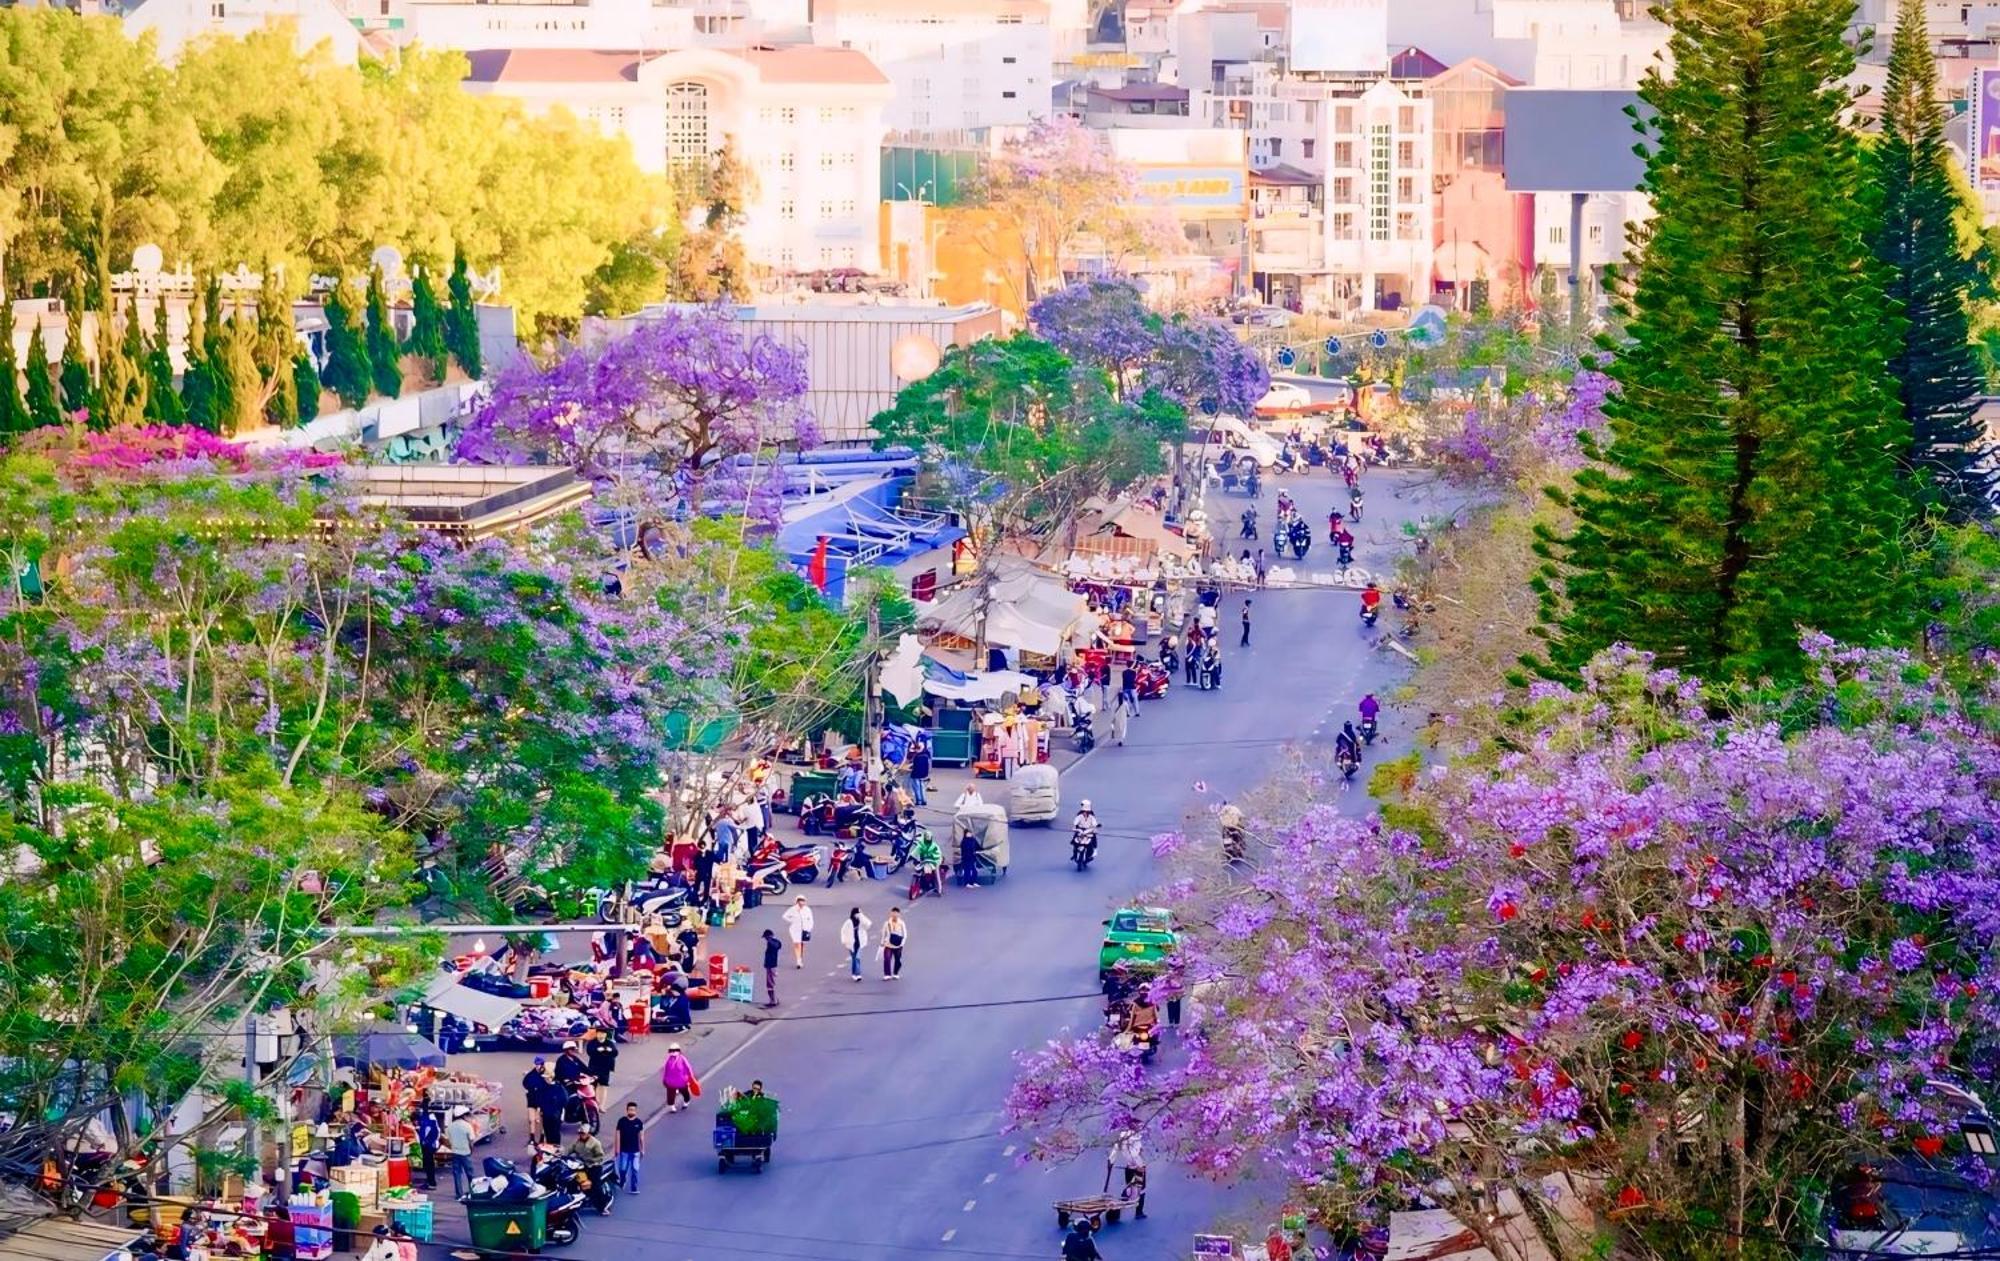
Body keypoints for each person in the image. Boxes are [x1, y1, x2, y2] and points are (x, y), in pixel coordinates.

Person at [1109, 1130, 1149, 1220]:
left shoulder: (1123, 1136)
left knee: (1130, 1189)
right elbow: (1135, 1154)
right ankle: (1138, 1212)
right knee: (1140, 1190)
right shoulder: (1135, 1138)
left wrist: (1111, 1160)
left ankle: (1117, 1209)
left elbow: (1116, 1148)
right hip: (1138, 1169)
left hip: (1129, 1168)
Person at [444, 1109, 476, 1199]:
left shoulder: (450, 1126)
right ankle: (473, 1192)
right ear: (463, 1115)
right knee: (470, 1174)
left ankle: (459, 1194)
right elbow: (471, 1141)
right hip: (466, 1153)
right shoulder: (467, 1126)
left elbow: (447, 1141)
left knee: (457, 1174)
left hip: (455, 1153)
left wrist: (453, 1147)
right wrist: (471, 1150)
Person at [613, 1102, 644, 1193]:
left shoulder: (639, 1123)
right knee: (622, 1169)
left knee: (635, 1170)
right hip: (624, 1151)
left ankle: (634, 1188)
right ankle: (623, 1180)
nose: (632, 1111)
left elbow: (641, 1137)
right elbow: (617, 1136)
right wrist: (616, 1149)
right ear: (627, 1110)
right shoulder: (621, 1121)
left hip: (635, 1151)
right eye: (630, 1110)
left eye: (633, 1110)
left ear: (636, 1111)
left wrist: (642, 1149)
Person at [659, 1044, 698, 1112]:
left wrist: (691, 1078)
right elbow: (664, 1070)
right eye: (671, 1050)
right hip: (670, 1081)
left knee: (684, 1092)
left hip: (681, 1081)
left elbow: (688, 1068)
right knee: (670, 1095)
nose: (673, 1052)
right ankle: (672, 1107)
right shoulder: (668, 1059)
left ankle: (686, 1101)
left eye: (675, 1050)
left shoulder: (682, 1059)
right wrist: (664, 1079)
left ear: (679, 1051)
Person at [839, 907, 872, 980]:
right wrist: (844, 941)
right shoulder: (848, 922)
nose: (859, 914)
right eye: (858, 913)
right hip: (851, 943)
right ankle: (855, 974)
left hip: (860, 943)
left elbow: (868, 924)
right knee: (855, 958)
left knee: (857, 958)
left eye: (860, 913)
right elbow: (843, 931)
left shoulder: (861, 922)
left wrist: (861, 916)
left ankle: (857, 974)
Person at [782, 895, 814, 968]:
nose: (801, 903)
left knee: (802, 945)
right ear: (797, 902)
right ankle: (798, 961)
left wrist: (809, 928)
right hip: (795, 929)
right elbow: (784, 916)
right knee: (797, 944)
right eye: (800, 901)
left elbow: (811, 920)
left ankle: (800, 958)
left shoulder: (807, 909)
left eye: (803, 901)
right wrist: (792, 921)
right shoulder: (793, 909)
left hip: (805, 929)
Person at [413, 1106, 441, 1191]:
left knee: (429, 1165)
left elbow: (425, 1135)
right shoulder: (432, 1121)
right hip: (431, 1145)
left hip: (428, 1146)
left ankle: (431, 1183)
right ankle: (430, 1182)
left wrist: (424, 1141)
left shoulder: (427, 1122)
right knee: (429, 1165)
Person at [880, 907, 908, 980]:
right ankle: (887, 974)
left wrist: (902, 943)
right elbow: (883, 933)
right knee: (887, 958)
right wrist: (882, 942)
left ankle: (895, 973)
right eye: (893, 914)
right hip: (888, 944)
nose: (894, 916)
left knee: (897, 959)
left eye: (896, 914)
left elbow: (905, 934)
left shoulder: (901, 923)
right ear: (891, 914)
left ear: (899, 915)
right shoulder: (887, 923)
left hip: (898, 945)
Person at [909, 732, 932, 806]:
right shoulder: (926, 749)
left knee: (916, 784)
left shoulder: (916, 745)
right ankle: (924, 800)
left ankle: (918, 800)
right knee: (921, 784)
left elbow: (911, 752)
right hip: (924, 767)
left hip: (917, 766)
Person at [761, 928, 782, 1007]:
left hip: (771, 965)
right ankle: (774, 999)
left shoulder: (772, 942)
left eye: (766, 937)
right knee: (771, 983)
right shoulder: (776, 941)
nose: (765, 939)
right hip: (772, 965)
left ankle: (773, 1001)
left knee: (770, 983)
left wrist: (770, 940)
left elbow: (776, 946)